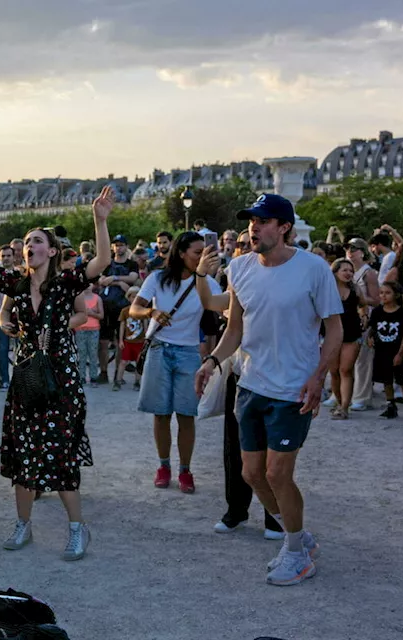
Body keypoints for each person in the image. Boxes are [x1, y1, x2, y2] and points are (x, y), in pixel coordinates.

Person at [0, 178, 115, 562]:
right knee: (24, 453)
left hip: (61, 378)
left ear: (52, 251)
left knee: (60, 455)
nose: (29, 246)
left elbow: (101, 262)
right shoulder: (17, 284)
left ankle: (77, 528)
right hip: (26, 377)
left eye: (37, 241)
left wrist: (100, 221)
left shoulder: (64, 282)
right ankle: (23, 523)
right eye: (26, 242)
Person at [195, 193, 342, 587]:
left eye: (261, 221)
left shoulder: (314, 269)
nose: (252, 228)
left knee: (278, 473)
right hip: (251, 385)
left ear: (284, 227)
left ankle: (296, 553)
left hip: (293, 389)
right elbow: (235, 328)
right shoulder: (240, 268)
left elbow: (335, 329)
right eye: (250, 222)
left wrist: (319, 375)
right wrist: (212, 363)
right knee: (251, 474)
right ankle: (298, 535)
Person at [192, 245, 284, 541]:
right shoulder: (239, 283)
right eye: (242, 245)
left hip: (275, 374)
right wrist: (200, 273)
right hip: (239, 373)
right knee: (236, 446)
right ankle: (236, 509)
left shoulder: (283, 282)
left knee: (272, 454)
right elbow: (208, 301)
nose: (246, 251)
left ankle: (275, 516)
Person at [130, 231, 221, 494]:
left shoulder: (205, 282)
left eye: (205, 252)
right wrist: (151, 311)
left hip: (188, 352)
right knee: (161, 413)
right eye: (197, 252)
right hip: (159, 348)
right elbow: (134, 309)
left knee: (186, 414)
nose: (202, 256)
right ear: (181, 253)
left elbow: (224, 304)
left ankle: (185, 469)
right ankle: (164, 466)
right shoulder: (158, 278)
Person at [369, 284, 403, 424]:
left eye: (387, 293)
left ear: (396, 295)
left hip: (396, 351)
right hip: (381, 351)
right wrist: (370, 338)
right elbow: (373, 328)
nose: (383, 296)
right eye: (381, 293)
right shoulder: (377, 312)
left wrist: (400, 353)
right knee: (386, 380)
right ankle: (391, 405)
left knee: (402, 380)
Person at [344, 238, 381, 412]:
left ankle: (362, 397)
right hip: (347, 316)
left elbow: (376, 300)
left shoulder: (369, 273)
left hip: (365, 317)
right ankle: (344, 395)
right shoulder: (345, 270)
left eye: (354, 248)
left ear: (363, 251)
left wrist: (356, 296)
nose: (350, 251)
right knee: (344, 359)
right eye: (348, 248)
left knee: (363, 359)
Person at [97, 235, 140, 383]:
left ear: (126, 247)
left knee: (120, 342)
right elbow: (101, 280)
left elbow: (133, 278)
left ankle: (117, 374)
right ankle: (103, 373)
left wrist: (114, 279)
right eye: (116, 245)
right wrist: (119, 283)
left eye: (121, 245)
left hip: (122, 308)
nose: (118, 247)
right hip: (105, 307)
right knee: (103, 342)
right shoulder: (108, 264)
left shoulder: (131, 264)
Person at [325, 259, 363, 420]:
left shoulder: (355, 289)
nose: (348, 273)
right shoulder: (326, 289)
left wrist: (365, 315)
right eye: (344, 270)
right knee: (334, 372)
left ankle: (345, 406)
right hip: (331, 334)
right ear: (335, 272)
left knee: (345, 370)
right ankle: (339, 403)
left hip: (351, 333)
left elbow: (364, 304)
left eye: (351, 271)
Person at [0, 245, 18, 389]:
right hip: (0, 318)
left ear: (14, 257)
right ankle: (4, 379)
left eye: (9, 255)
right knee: (2, 350)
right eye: (3, 256)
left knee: (19, 350)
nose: (6, 258)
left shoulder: (20, 273)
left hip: (19, 318)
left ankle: (19, 378)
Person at [115, 289, 145, 392]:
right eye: (133, 297)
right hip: (128, 341)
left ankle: (137, 382)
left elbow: (145, 325)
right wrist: (121, 340)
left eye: (137, 297)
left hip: (140, 341)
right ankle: (118, 381)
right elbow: (122, 326)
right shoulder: (125, 311)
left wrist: (146, 339)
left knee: (139, 362)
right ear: (129, 298)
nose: (135, 299)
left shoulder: (143, 310)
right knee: (123, 361)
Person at [74, 285, 103, 389]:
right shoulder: (78, 297)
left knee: (93, 353)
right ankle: (81, 376)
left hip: (94, 329)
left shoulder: (97, 298)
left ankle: (93, 377)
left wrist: (91, 313)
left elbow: (101, 315)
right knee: (81, 354)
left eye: (89, 284)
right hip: (80, 329)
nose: (87, 286)